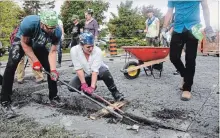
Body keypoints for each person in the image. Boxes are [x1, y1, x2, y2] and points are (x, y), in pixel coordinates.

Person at [0, 11, 63, 119]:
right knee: (11, 65)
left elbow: (52, 52)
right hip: (21, 41)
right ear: (42, 24)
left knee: (49, 68)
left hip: (37, 43)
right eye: (49, 28)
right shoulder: (29, 22)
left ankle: (54, 97)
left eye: (53, 27)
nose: (51, 30)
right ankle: (5, 101)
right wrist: (35, 61)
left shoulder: (57, 31)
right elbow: (25, 43)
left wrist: (53, 70)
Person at [162, 0, 216, 101]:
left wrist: (208, 26)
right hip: (178, 27)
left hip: (194, 27)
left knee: (190, 59)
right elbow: (169, 11)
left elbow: (205, 8)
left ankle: (187, 88)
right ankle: (185, 75)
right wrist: (164, 28)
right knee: (173, 57)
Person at [68, 32, 124, 101]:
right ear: (81, 45)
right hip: (86, 73)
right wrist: (84, 84)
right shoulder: (74, 50)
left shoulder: (97, 51)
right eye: (88, 47)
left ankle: (115, 92)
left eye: (92, 46)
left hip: (98, 71)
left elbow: (95, 71)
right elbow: (79, 69)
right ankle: (87, 89)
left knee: (105, 72)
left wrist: (92, 87)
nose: (91, 49)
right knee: (71, 87)